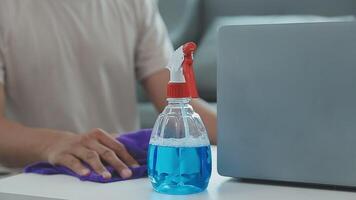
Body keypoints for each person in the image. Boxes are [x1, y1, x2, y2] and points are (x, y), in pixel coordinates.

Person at [0, 0, 217, 179]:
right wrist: (55, 144)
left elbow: (179, 103)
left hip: (119, 175)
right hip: (30, 179)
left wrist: (243, 133)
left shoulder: (136, 4)